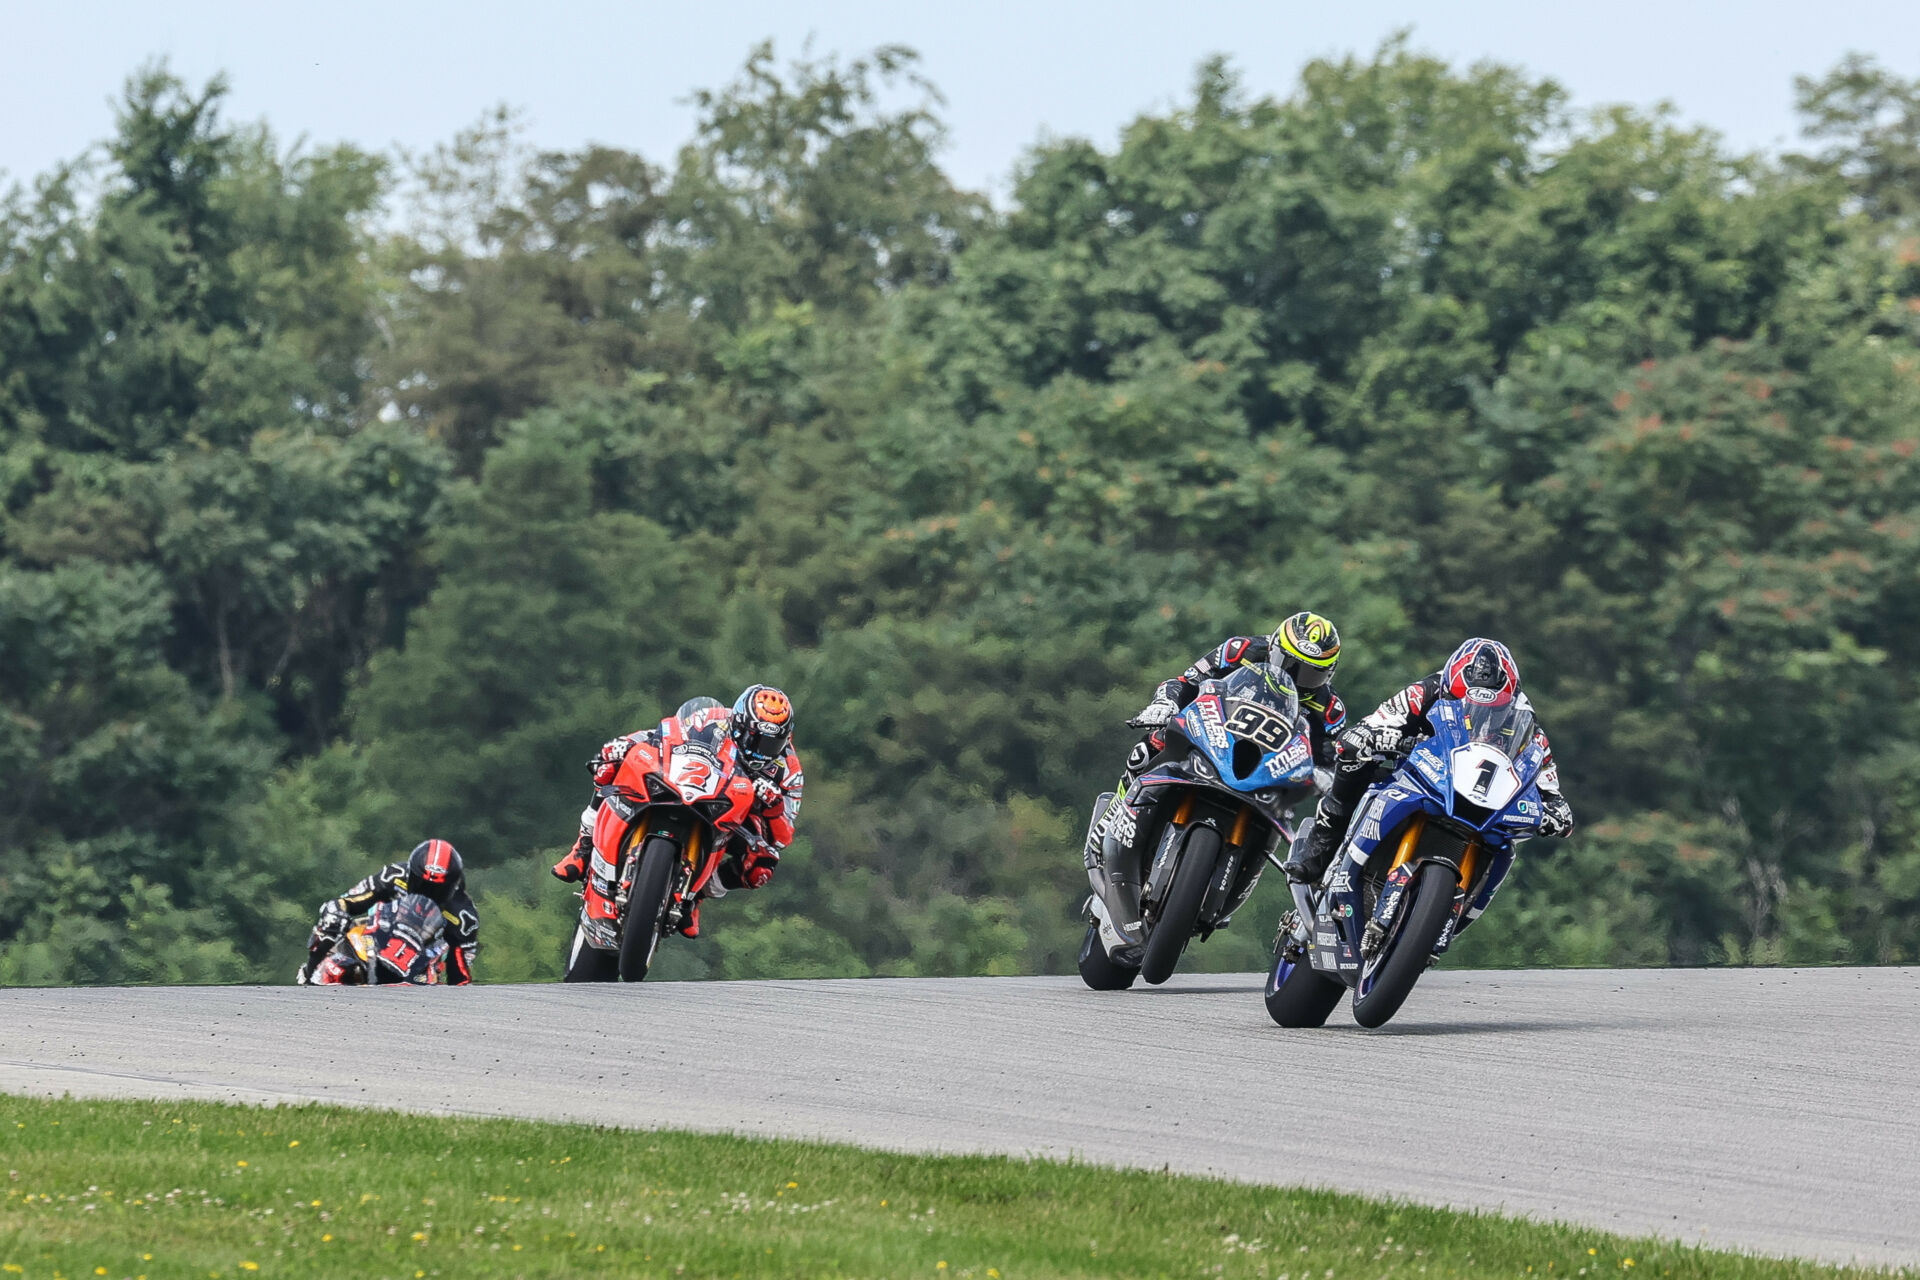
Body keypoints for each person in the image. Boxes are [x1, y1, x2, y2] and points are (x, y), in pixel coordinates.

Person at [1282, 637, 1574, 886]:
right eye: (1464, 702)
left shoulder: (1524, 718)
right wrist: (1370, 737)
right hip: (1419, 773)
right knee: (1353, 760)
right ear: (1448, 688)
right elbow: (1377, 721)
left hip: (1480, 797)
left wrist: (1555, 808)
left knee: (1507, 842)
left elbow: (1544, 775)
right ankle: (1319, 852)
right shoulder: (1426, 691)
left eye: (1492, 710)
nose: (1478, 713)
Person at [551, 684, 804, 938]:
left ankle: (697, 897)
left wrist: (773, 805)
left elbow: (783, 837)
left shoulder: (790, 771)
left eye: (771, 743)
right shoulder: (713, 718)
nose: (759, 748)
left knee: (763, 864)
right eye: (753, 737)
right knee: (608, 766)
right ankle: (582, 847)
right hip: (689, 782)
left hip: (736, 812)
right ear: (737, 721)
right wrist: (625, 744)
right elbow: (666, 732)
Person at [1124, 611, 1348, 779]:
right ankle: (1118, 809)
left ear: (1329, 673)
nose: (1295, 678)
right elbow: (1187, 681)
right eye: (1289, 664)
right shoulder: (1239, 651)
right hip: (1211, 737)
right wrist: (1165, 703)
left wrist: (1324, 776)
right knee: (1150, 747)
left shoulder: (1330, 710)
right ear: (1273, 648)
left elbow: (1330, 762)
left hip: (1267, 773)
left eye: (1311, 674)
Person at [298, 839, 479, 985]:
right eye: (423, 885)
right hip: (377, 933)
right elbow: (351, 899)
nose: (428, 892)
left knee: (446, 981)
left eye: (436, 889)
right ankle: (310, 972)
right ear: (413, 875)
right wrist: (339, 910)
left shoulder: (464, 917)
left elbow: (461, 970)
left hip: (423, 956)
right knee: (333, 915)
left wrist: (456, 990)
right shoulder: (394, 876)